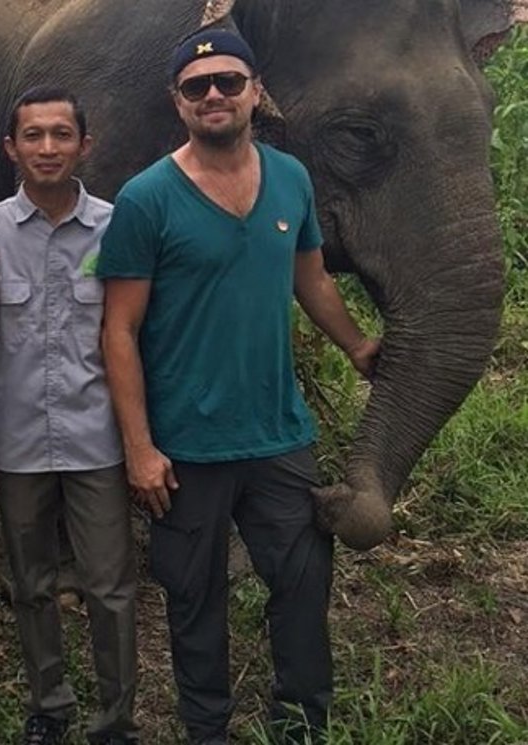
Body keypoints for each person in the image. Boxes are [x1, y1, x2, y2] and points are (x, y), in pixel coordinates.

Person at [96, 29, 380, 745]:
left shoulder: (290, 178)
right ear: (177, 102)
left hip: (278, 434)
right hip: (186, 443)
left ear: (257, 90)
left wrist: (357, 346)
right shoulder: (145, 197)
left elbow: (309, 277)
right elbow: (119, 330)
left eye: (228, 81)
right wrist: (139, 447)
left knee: (303, 584)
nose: (214, 95)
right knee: (195, 597)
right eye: (197, 87)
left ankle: (301, 720)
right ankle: (206, 728)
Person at [0, 86, 139, 745]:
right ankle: (51, 703)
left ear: (85, 145)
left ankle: (116, 716)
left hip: (97, 436)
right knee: (31, 582)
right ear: (11, 148)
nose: (47, 147)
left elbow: (134, 335)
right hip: (16, 442)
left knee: (110, 585)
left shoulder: (117, 225)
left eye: (61, 134)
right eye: (32, 135)